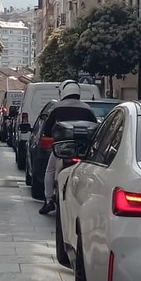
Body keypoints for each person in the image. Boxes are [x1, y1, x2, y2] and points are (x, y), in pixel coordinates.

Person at [39, 84, 93, 215]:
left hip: (62, 148)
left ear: (63, 92)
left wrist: (49, 136)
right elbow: (94, 127)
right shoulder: (87, 108)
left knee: (50, 170)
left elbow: (47, 129)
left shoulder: (57, 107)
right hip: (82, 149)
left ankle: (48, 200)